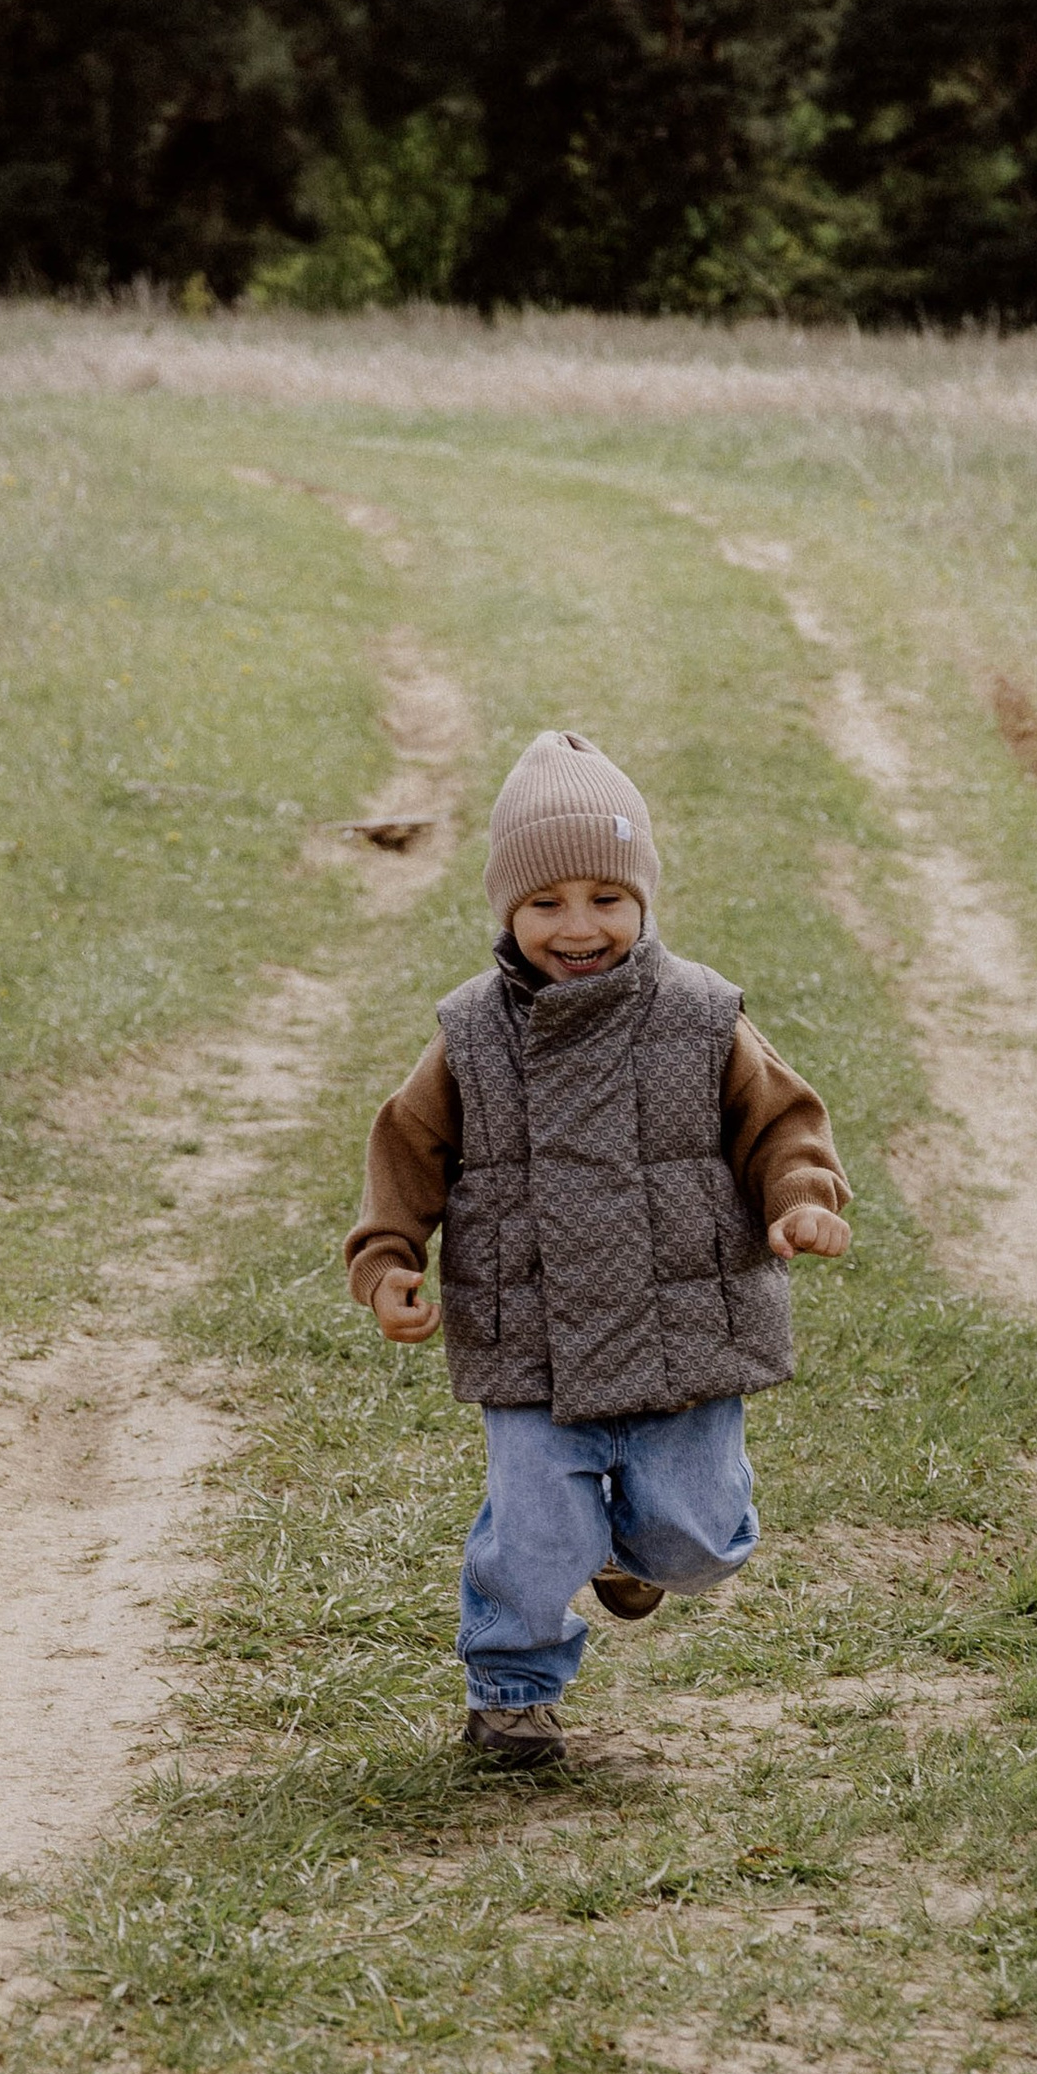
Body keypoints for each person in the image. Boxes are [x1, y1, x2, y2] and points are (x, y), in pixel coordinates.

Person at [345, 730, 850, 1767]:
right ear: (505, 910)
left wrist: (799, 1198)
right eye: (544, 904)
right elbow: (408, 1145)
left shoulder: (702, 1015)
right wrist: (390, 1260)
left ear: (644, 899)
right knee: (534, 1536)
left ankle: (636, 1556)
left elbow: (780, 1123)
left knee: (699, 1539)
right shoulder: (472, 1034)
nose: (577, 927)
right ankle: (511, 1693)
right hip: (531, 1337)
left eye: (605, 899)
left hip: (686, 1331)